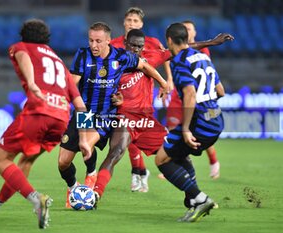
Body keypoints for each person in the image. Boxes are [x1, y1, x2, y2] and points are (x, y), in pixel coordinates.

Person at [93, 29, 234, 202]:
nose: (136, 50)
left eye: (140, 46)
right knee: (116, 152)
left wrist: (211, 42)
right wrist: (113, 98)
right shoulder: (114, 63)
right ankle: (95, 194)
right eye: (133, 46)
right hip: (124, 118)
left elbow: (182, 48)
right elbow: (100, 89)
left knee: (178, 154)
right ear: (125, 44)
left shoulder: (150, 57)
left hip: (147, 122)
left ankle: (193, 196)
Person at [0, 19, 90, 229]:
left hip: (38, 113)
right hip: (61, 119)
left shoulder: (20, 47)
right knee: (25, 163)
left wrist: (31, 83)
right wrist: (83, 139)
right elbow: (81, 105)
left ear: (23, 35)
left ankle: (37, 200)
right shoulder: (59, 62)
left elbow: (24, 57)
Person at [58, 22, 168, 207]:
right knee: (63, 162)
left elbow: (144, 66)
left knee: (86, 144)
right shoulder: (82, 55)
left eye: (98, 41)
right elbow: (72, 85)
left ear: (108, 41)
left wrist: (163, 83)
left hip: (105, 116)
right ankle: (73, 186)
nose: (94, 45)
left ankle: (91, 174)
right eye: (91, 40)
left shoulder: (121, 57)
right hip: (82, 112)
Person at [155, 23, 225, 222]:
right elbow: (221, 92)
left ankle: (200, 199)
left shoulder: (178, 61)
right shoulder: (204, 57)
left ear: (169, 40)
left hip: (199, 124)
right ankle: (193, 202)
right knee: (179, 156)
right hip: (216, 120)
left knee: (161, 160)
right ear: (186, 39)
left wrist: (186, 128)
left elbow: (190, 93)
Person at [110, 6, 173, 192]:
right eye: (129, 20)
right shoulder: (114, 44)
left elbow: (165, 56)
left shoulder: (152, 42)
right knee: (127, 136)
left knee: (132, 132)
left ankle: (139, 171)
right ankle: (139, 171)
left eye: (135, 21)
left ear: (141, 24)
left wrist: (167, 79)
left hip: (142, 92)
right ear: (124, 22)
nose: (131, 24)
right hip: (120, 95)